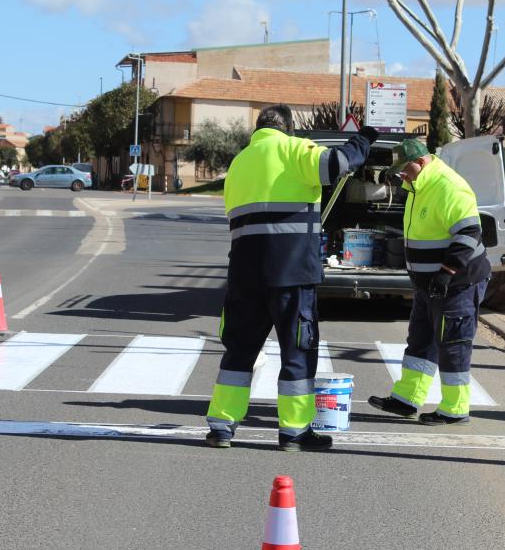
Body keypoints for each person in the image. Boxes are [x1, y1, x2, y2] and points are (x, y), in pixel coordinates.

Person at [206, 104, 379, 451]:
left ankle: (221, 427)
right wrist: (365, 138)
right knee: (297, 351)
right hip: (291, 274)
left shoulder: (239, 162)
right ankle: (294, 432)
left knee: (239, 352)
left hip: (243, 273)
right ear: (288, 128)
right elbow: (339, 165)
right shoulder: (295, 148)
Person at [369, 139, 490, 425]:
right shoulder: (417, 185)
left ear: (421, 161)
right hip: (430, 283)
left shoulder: (448, 185)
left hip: (457, 282)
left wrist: (446, 272)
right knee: (421, 340)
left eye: (405, 169)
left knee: (453, 343)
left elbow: (470, 233)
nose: (402, 175)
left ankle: (454, 408)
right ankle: (407, 399)